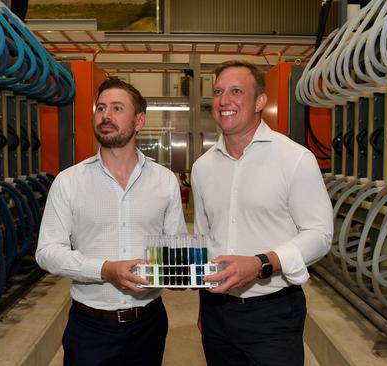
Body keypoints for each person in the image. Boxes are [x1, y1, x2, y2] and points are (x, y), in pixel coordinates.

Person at [191, 60, 333, 366]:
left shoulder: (294, 159)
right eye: (218, 91)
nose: (224, 100)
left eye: (236, 91)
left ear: (260, 102)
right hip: (216, 311)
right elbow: (204, 239)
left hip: (273, 315)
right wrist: (204, 308)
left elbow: (319, 235)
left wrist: (260, 263)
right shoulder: (202, 168)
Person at [36, 78, 187, 366]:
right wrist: (105, 270)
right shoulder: (69, 182)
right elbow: (47, 253)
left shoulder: (164, 181)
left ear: (138, 120)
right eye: (101, 108)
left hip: (149, 324)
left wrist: (180, 273)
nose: (106, 116)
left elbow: (174, 246)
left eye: (117, 108)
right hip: (90, 327)